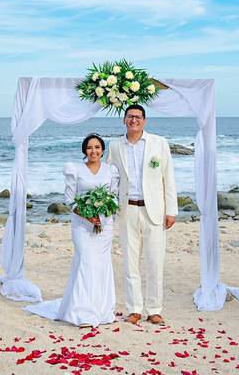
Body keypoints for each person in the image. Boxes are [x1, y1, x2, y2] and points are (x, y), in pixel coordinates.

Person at [26, 134, 120, 326]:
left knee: (101, 264)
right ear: (84, 150)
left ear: (102, 150)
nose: (93, 151)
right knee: (85, 261)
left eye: (97, 147)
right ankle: (82, 311)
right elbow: (69, 199)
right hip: (82, 225)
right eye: (89, 148)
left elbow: (114, 197)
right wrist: (87, 215)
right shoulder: (75, 170)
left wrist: (102, 213)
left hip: (104, 225)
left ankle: (101, 308)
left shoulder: (111, 171)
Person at [107, 104, 177, 326]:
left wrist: (171, 210)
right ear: (124, 120)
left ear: (144, 121)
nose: (133, 120)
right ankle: (134, 309)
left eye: (138, 117)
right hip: (127, 210)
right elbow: (110, 178)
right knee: (130, 263)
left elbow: (169, 178)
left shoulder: (159, 143)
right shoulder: (115, 146)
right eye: (129, 117)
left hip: (154, 211)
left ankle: (154, 309)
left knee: (155, 262)